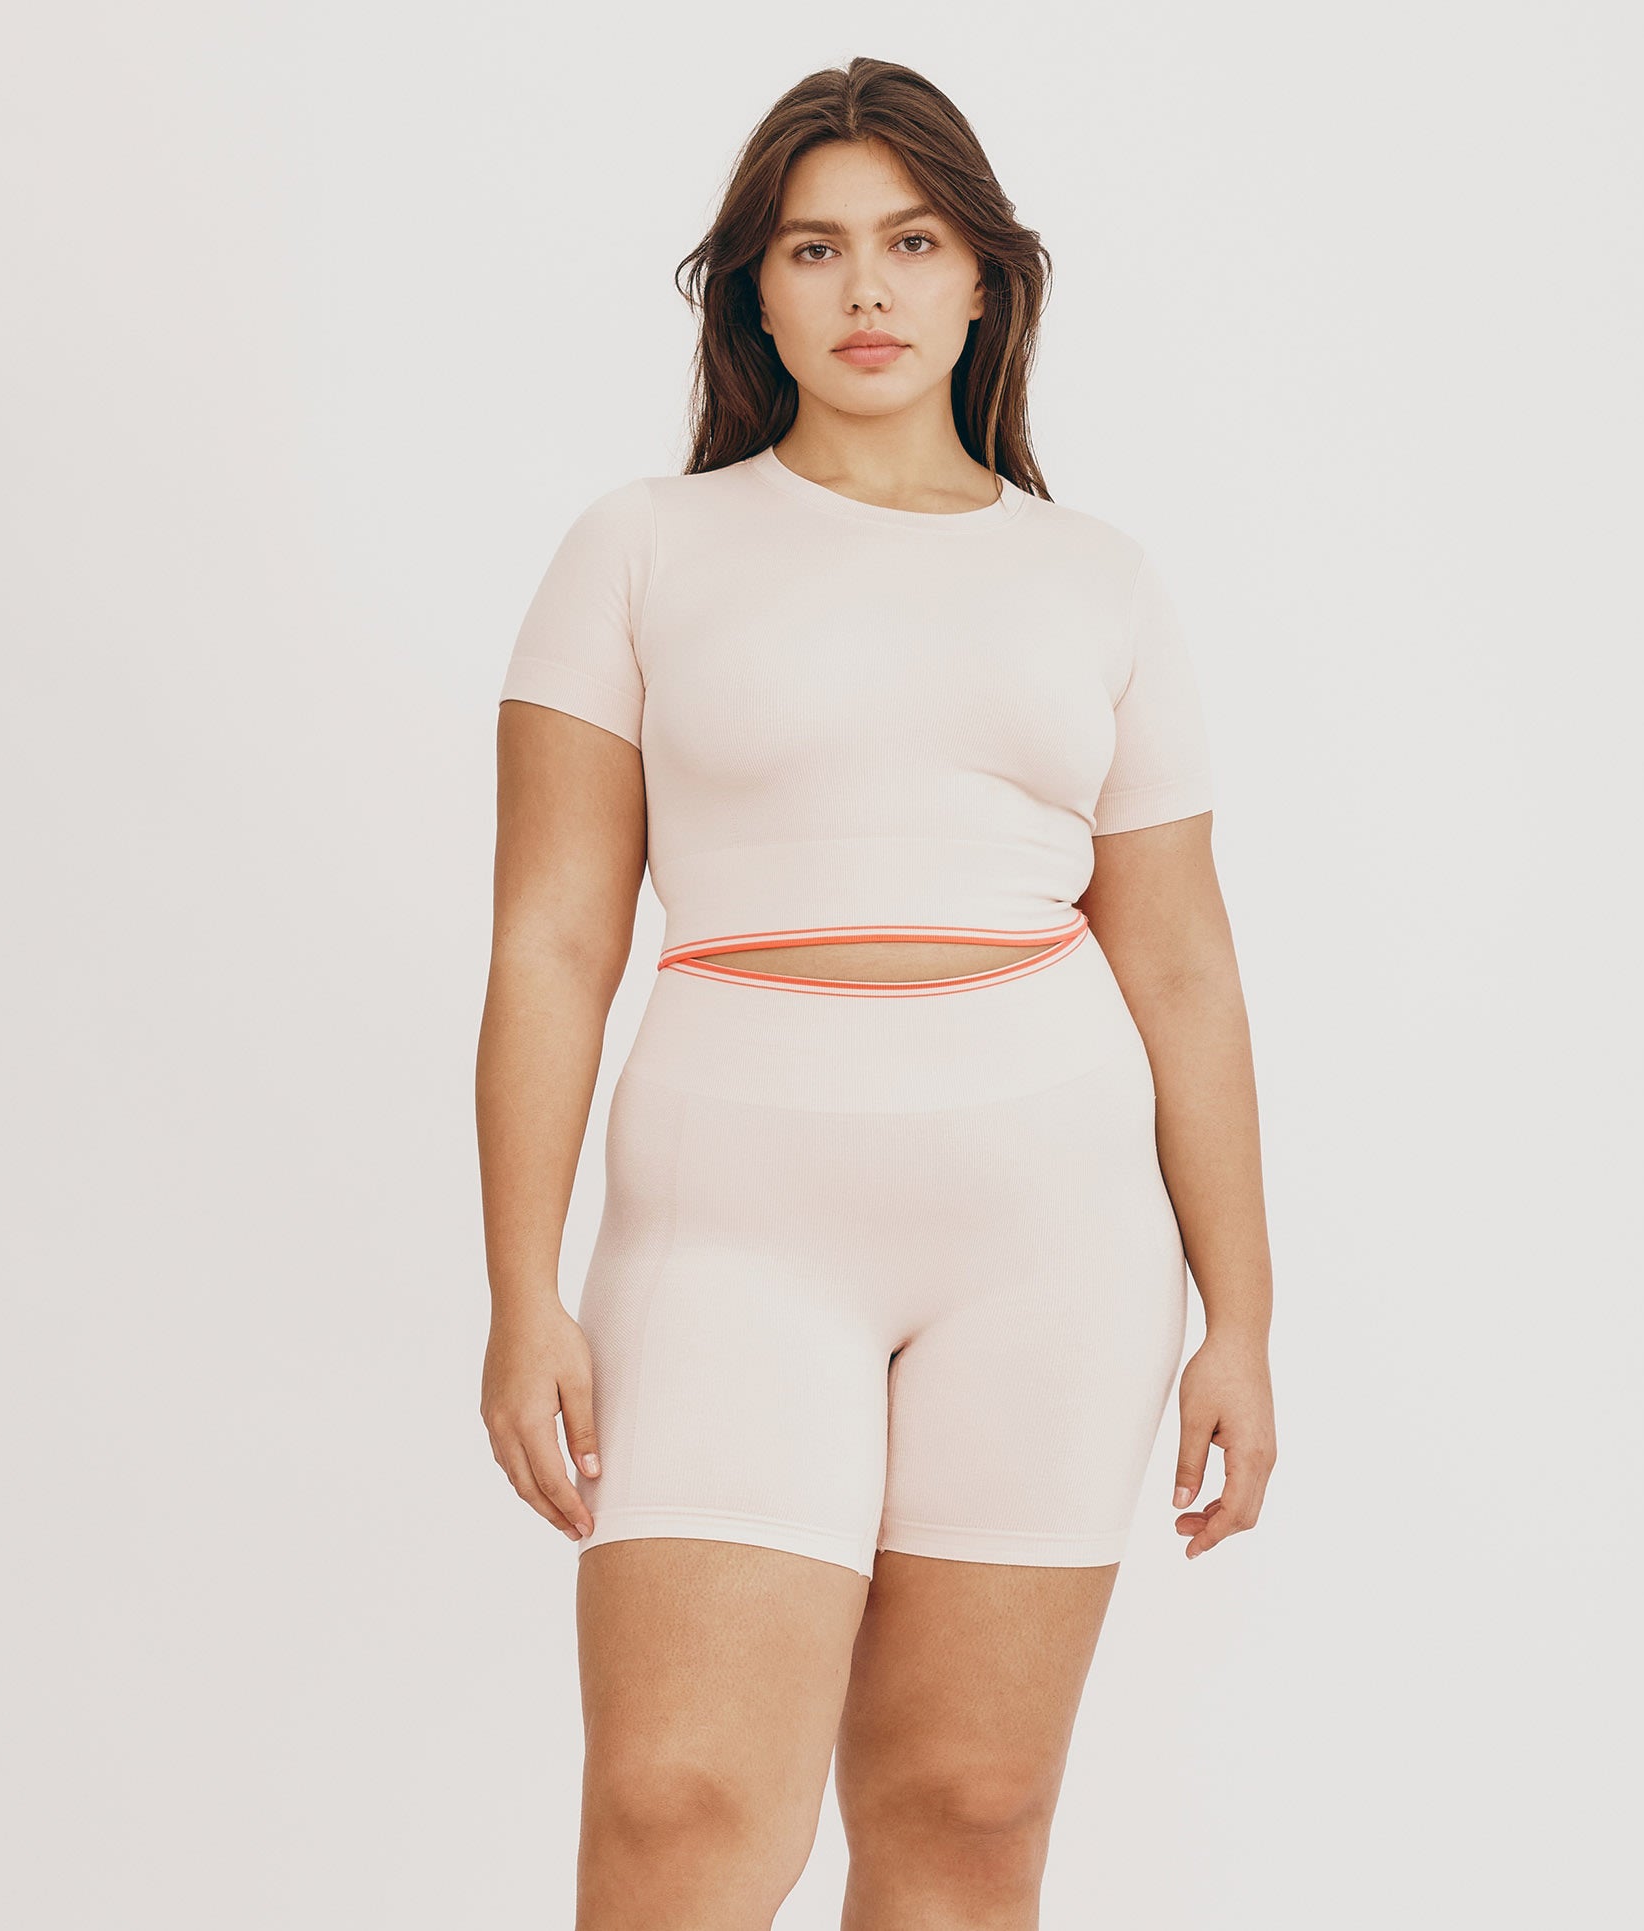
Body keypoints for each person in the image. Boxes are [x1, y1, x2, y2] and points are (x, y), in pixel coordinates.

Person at [474, 55, 1276, 1926]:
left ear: (984, 279)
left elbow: (1181, 958)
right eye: (813, 248)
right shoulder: (641, 549)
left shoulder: (1098, 581)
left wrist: (1241, 1317)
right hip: (734, 1218)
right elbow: (553, 942)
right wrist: (521, 1293)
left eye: (912, 244)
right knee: (678, 1809)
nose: (866, 289)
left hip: (1056, 1233)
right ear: (751, 293)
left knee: (971, 1814)